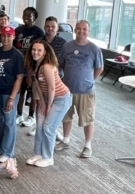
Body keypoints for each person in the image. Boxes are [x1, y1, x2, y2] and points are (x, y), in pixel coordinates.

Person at [57, 20, 103, 159]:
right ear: (75, 30)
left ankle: (87, 146)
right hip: (68, 89)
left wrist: (89, 80)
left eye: (84, 29)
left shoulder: (94, 49)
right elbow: (62, 64)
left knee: (87, 118)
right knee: (66, 116)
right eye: (78, 28)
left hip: (86, 90)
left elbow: (99, 68)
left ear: (88, 31)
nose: (81, 31)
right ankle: (65, 140)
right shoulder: (67, 46)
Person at [24, 40, 72, 168]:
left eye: (39, 50)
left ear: (45, 52)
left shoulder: (46, 66)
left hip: (61, 98)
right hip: (46, 98)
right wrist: (43, 103)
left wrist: (49, 106)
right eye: (34, 49)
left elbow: (52, 88)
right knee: (39, 126)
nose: (35, 52)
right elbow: (38, 86)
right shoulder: (36, 65)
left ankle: (48, 157)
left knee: (48, 127)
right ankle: (38, 153)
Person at [0, 26, 25, 165]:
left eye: (8, 36)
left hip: (8, 92)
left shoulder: (17, 55)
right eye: (3, 35)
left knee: (9, 121)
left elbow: (19, 78)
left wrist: (12, 97)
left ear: (13, 37)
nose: (5, 38)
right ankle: (0, 146)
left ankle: (7, 152)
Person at [14, 7, 44, 127]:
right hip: (20, 66)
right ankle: (19, 114)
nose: (26, 17)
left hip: (33, 67)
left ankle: (31, 116)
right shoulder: (18, 30)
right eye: (24, 14)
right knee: (20, 91)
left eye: (29, 15)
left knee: (32, 93)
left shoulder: (39, 32)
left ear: (35, 18)